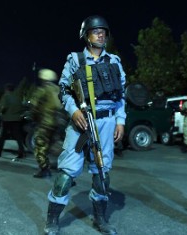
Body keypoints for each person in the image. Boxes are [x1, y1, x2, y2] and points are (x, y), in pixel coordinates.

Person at [44, 15, 126, 235]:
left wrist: (120, 121)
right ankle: (52, 220)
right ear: (86, 35)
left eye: (104, 31)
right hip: (81, 122)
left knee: (102, 174)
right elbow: (64, 91)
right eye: (95, 31)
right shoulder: (75, 60)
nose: (101, 34)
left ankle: (100, 219)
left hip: (108, 122)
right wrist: (74, 111)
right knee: (66, 174)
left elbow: (121, 96)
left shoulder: (114, 62)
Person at [30, 69, 63, 178]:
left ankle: (44, 169)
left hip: (45, 123)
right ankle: (64, 166)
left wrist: (34, 119)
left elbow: (34, 107)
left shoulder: (42, 90)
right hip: (57, 123)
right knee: (53, 145)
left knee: (40, 146)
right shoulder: (58, 89)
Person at [0, 83, 26, 159]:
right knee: (18, 136)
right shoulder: (18, 97)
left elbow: (3, 107)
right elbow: (22, 107)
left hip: (7, 119)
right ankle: (21, 152)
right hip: (17, 119)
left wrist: (0, 112)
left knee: (3, 136)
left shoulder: (5, 96)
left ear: (6, 89)